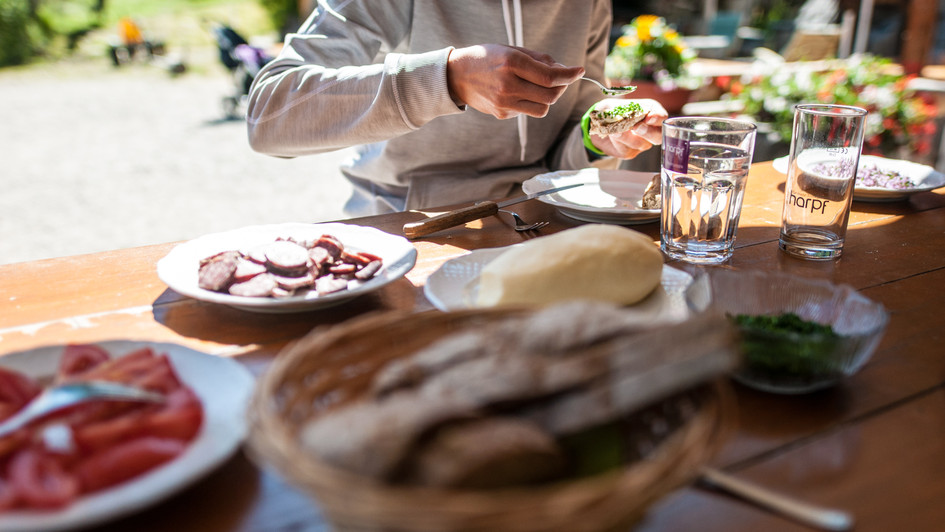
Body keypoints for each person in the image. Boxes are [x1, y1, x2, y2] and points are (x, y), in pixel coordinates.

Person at [246, 1, 666, 216]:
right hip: (411, 222)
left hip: (542, 216)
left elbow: (569, 136)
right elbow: (269, 116)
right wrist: (445, 79)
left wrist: (598, 138)